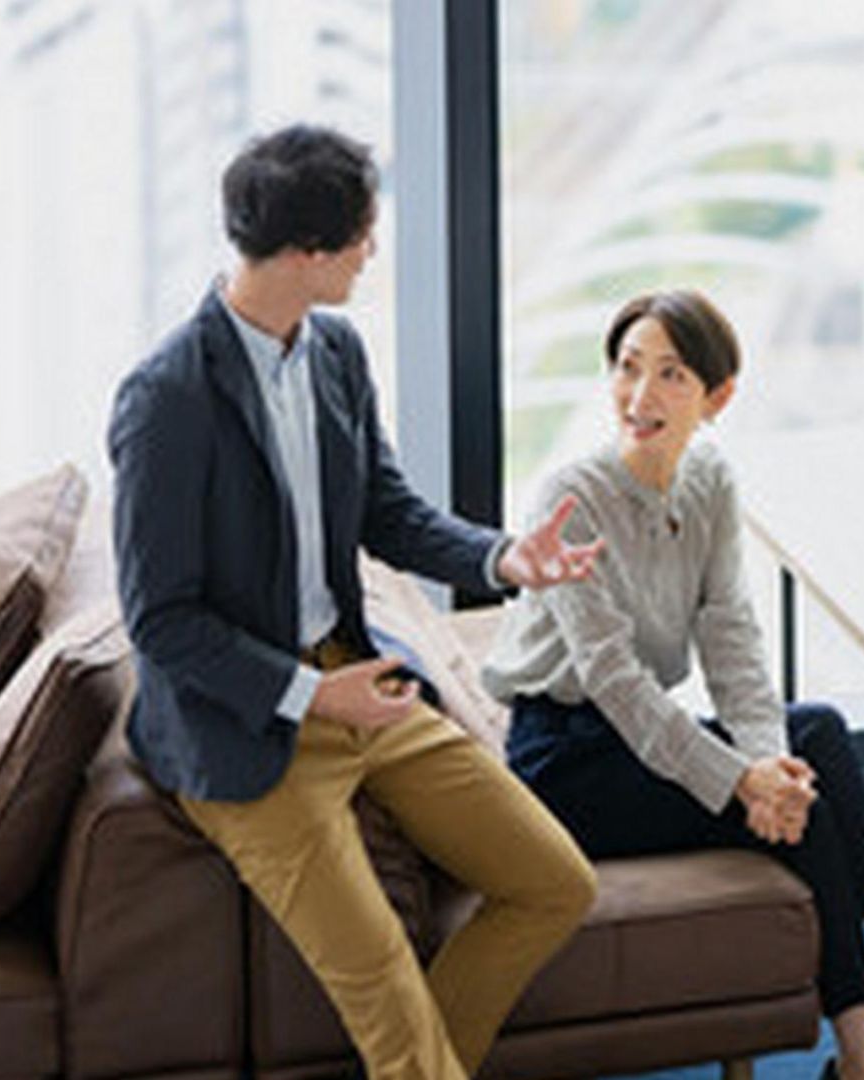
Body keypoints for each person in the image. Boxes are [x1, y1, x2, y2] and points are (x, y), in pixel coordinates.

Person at [109, 124, 602, 1080]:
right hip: (245, 729)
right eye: (363, 235)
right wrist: (306, 695)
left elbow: (386, 510)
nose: (373, 250)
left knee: (554, 883)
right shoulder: (167, 399)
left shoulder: (333, 350)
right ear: (308, 252)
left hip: (360, 679)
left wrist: (503, 558)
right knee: (386, 993)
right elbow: (161, 621)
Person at [481, 290, 864, 1080]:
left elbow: (733, 641)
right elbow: (619, 686)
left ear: (717, 397)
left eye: (670, 375)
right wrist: (741, 779)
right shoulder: (573, 499)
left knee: (814, 745)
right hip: (566, 763)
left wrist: (768, 764)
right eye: (628, 368)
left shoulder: (708, 477)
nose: (639, 396)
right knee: (804, 808)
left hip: (636, 742)